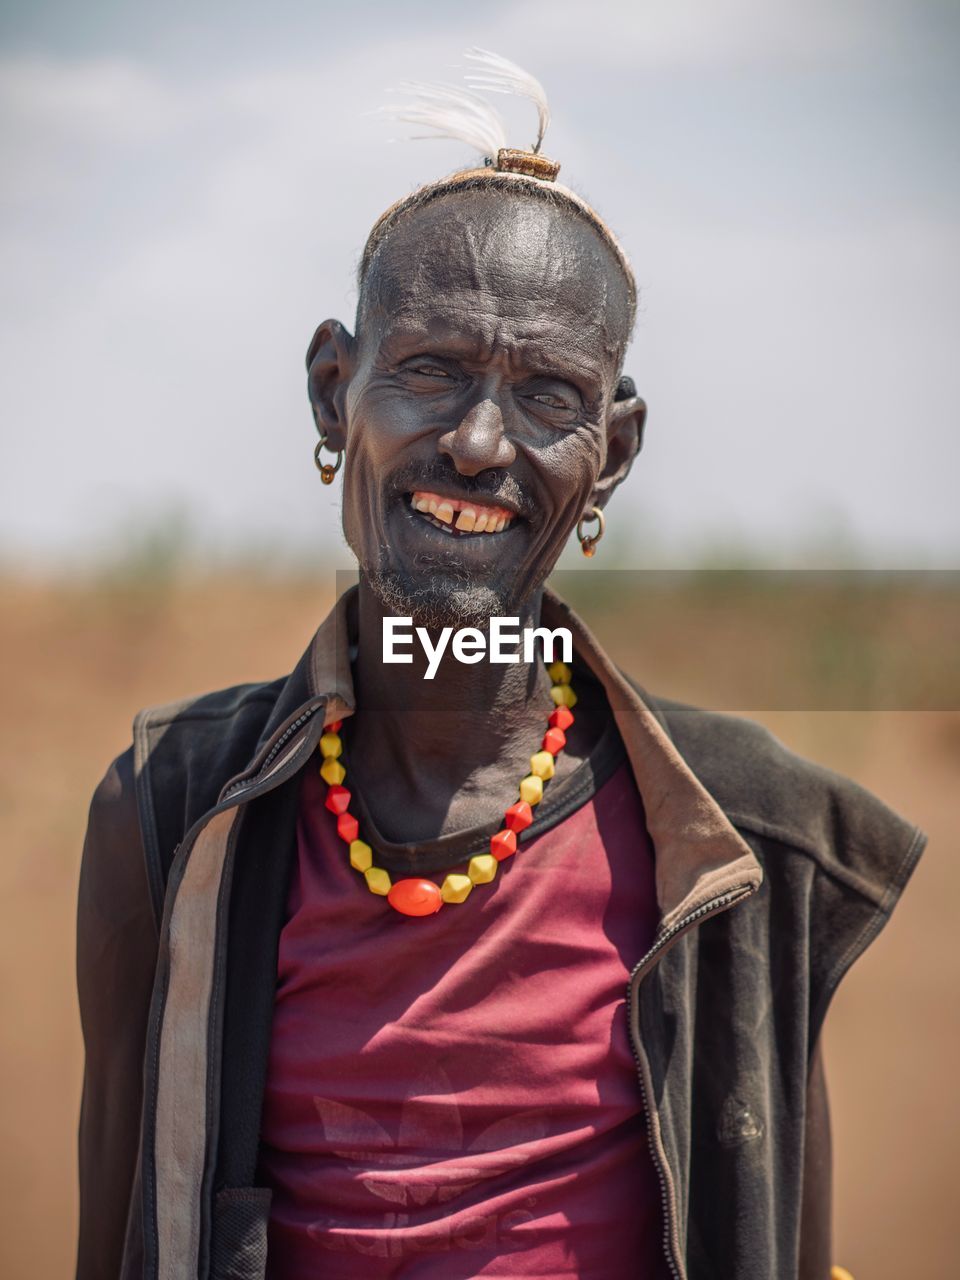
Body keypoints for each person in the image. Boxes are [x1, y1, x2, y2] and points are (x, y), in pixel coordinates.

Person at [75, 52, 925, 1280]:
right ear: (332, 392)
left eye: (547, 394)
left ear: (613, 452)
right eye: (428, 369)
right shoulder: (170, 816)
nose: (478, 443)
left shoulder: (750, 845)